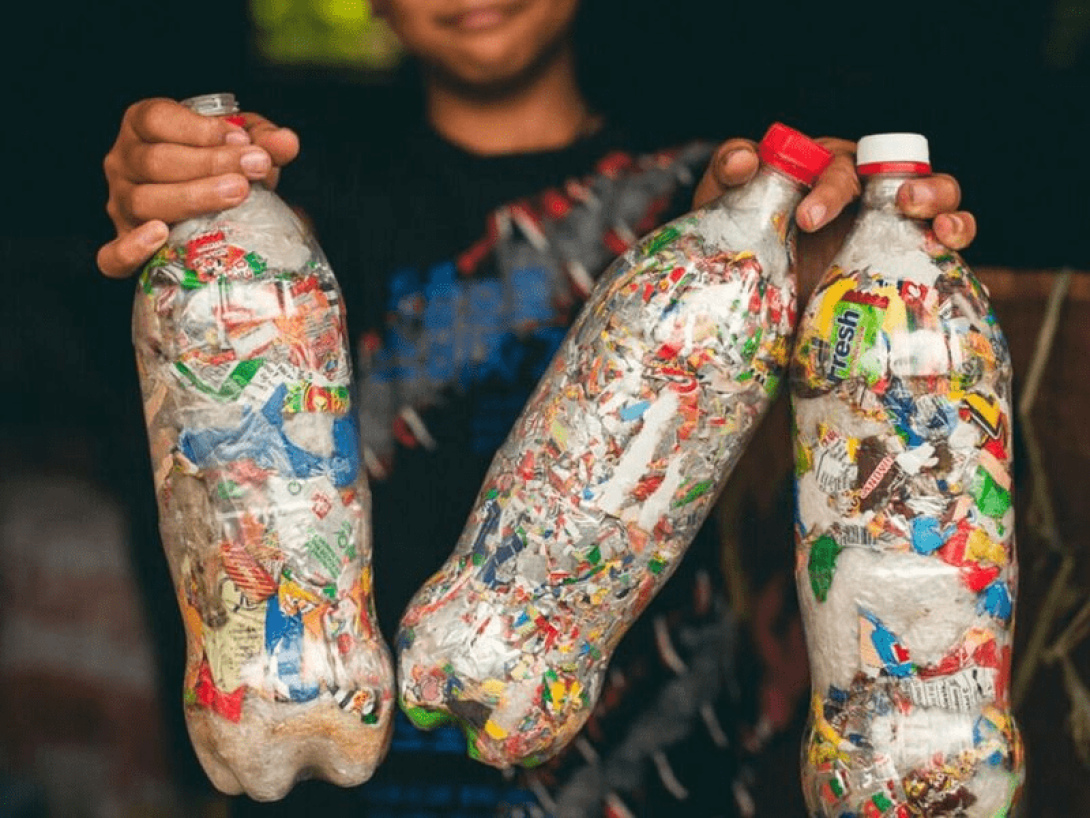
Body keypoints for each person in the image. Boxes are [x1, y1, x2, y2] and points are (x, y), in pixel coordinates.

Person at [97, 1, 977, 815]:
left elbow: (875, 463)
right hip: (339, 758)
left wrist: (844, 270)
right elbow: (199, 415)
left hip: (667, 765)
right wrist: (183, 192)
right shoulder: (305, 197)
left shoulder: (695, 192)